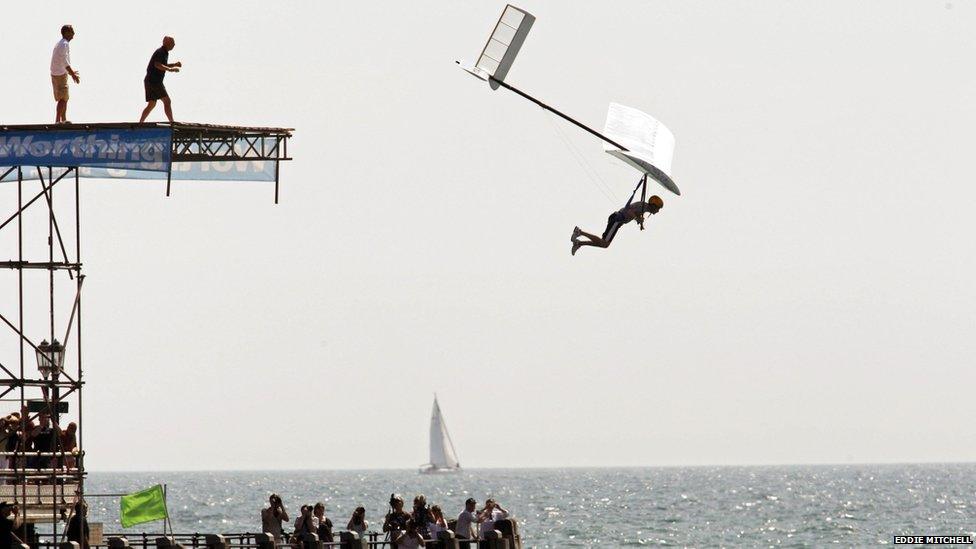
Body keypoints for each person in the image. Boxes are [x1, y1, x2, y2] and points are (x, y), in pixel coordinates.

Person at [571, 195, 664, 255]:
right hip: (617, 219)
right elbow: (629, 210)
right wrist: (637, 218)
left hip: (617, 221)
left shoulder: (644, 208)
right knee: (604, 243)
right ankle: (579, 232)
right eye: (658, 208)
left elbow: (635, 213)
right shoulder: (643, 205)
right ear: (653, 205)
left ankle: (579, 243)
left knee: (604, 244)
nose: (658, 211)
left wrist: (639, 220)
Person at [139, 36, 182, 124]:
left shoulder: (165, 53)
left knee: (152, 104)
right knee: (167, 101)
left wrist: (174, 64)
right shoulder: (160, 52)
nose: (174, 45)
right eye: (172, 43)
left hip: (150, 81)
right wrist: (170, 70)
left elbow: (163, 65)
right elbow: (157, 65)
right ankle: (172, 122)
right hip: (154, 81)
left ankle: (140, 123)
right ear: (166, 43)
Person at [51, 25, 80, 124]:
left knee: (65, 97)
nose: (73, 34)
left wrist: (70, 72)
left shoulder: (61, 43)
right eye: (72, 32)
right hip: (60, 74)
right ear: (66, 33)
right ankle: (57, 120)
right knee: (63, 98)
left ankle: (63, 119)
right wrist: (73, 74)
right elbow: (65, 62)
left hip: (57, 73)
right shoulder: (64, 44)